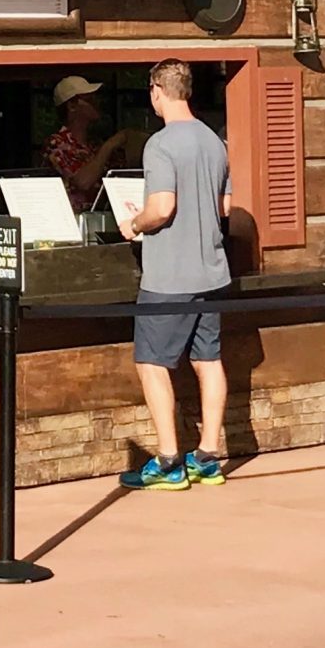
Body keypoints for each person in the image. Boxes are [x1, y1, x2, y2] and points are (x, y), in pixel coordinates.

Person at [115, 58, 233, 491]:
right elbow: (224, 208)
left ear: (156, 91)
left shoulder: (160, 144)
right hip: (212, 272)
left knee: (151, 364)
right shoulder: (214, 142)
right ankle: (208, 456)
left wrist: (135, 223)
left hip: (168, 278)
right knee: (208, 361)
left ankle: (168, 461)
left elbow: (162, 208)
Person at [45, 74, 134, 216]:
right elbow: (83, 182)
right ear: (72, 106)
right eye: (90, 100)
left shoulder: (95, 143)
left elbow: (122, 176)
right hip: (72, 219)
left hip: (103, 217)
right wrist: (109, 145)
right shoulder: (57, 144)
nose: (97, 103)